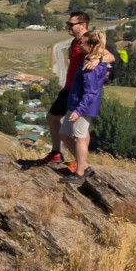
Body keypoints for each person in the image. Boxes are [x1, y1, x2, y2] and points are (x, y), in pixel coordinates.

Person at [32, 10, 113, 167]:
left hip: (78, 91)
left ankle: (81, 164)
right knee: (54, 118)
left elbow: (111, 56)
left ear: (83, 25)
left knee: (79, 131)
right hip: (69, 88)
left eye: (71, 24)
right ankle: (59, 154)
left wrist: (97, 60)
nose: (68, 26)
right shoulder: (76, 41)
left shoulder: (90, 40)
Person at [60, 30, 111, 182]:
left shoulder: (92, 67)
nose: (79, 45)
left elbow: (90, 93)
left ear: (91, 45)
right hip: (76, 104)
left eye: (82, 43)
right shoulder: (89, 60)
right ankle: (84, 165)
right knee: (63, 133)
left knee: (79, 138)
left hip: (82, 107)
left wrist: (79, 110)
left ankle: (80, 173)